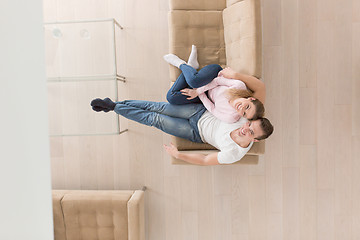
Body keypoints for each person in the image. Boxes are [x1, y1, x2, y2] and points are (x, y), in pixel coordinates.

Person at [90, 97, 274, 165]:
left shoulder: (234, 153)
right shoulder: (245, 117)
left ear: (255, 140)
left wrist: (178, 155)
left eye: (251, 132)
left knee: (155, 119)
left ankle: (114, 107)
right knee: (158, 107)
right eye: (249, 125)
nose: (245, 129)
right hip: (199, 111)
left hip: (195, 133)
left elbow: (204, 160)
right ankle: (114, 105)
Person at [164, 46, 266, 123]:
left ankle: (191, 67)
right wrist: (197, 91)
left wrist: (198, 94)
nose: (241, 109)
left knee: (171, 97)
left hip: (205, 95)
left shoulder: (231, 117)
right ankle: (181, 64)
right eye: (247, 107)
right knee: (194, 81)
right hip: (214, 76)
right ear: (251, 99)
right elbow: (217, 81)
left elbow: (212, 109)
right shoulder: (239, 87)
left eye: (244, 113)